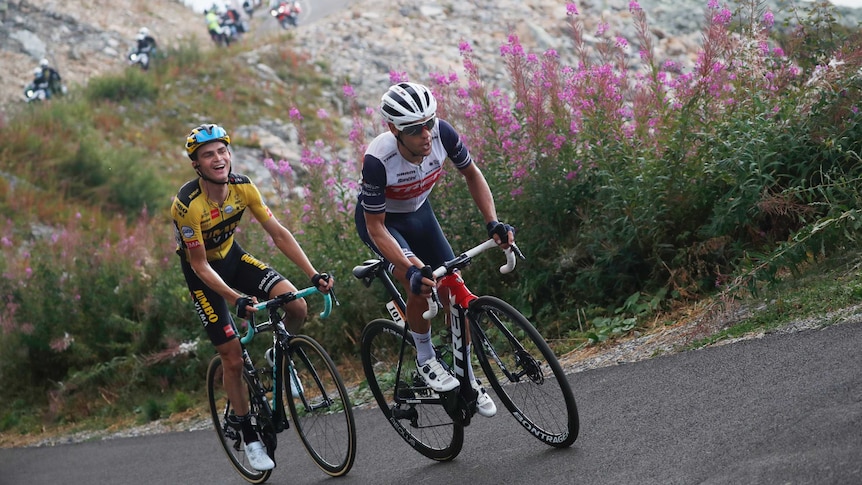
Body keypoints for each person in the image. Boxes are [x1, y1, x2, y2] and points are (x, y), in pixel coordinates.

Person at [171, 123, 334, 471]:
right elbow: (199, 264)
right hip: (205, 278)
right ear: (196, 165)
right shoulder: (187, 205)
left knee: (296, 304)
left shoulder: (243, 187)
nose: (218, 159)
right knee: (232, 357)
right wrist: (235, 299)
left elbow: (278, 232)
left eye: (221, 151)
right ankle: (249, 435)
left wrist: (312, 273)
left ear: (229, 154)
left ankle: (279, 353)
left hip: (234, 259)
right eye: (207, 155)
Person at [354, 82, 515, 418]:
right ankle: (425, 358)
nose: (426, 134)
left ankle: (467, 376)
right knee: (423, 283)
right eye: (415, 129)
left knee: (455, 291)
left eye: (429, 122)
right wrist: (410, 269)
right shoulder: (378, 160)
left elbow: (472, 173)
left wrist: (493, 224)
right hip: (384, 225)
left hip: (420, 215)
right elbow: (375, 227)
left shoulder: (442, 133)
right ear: (393, 129)